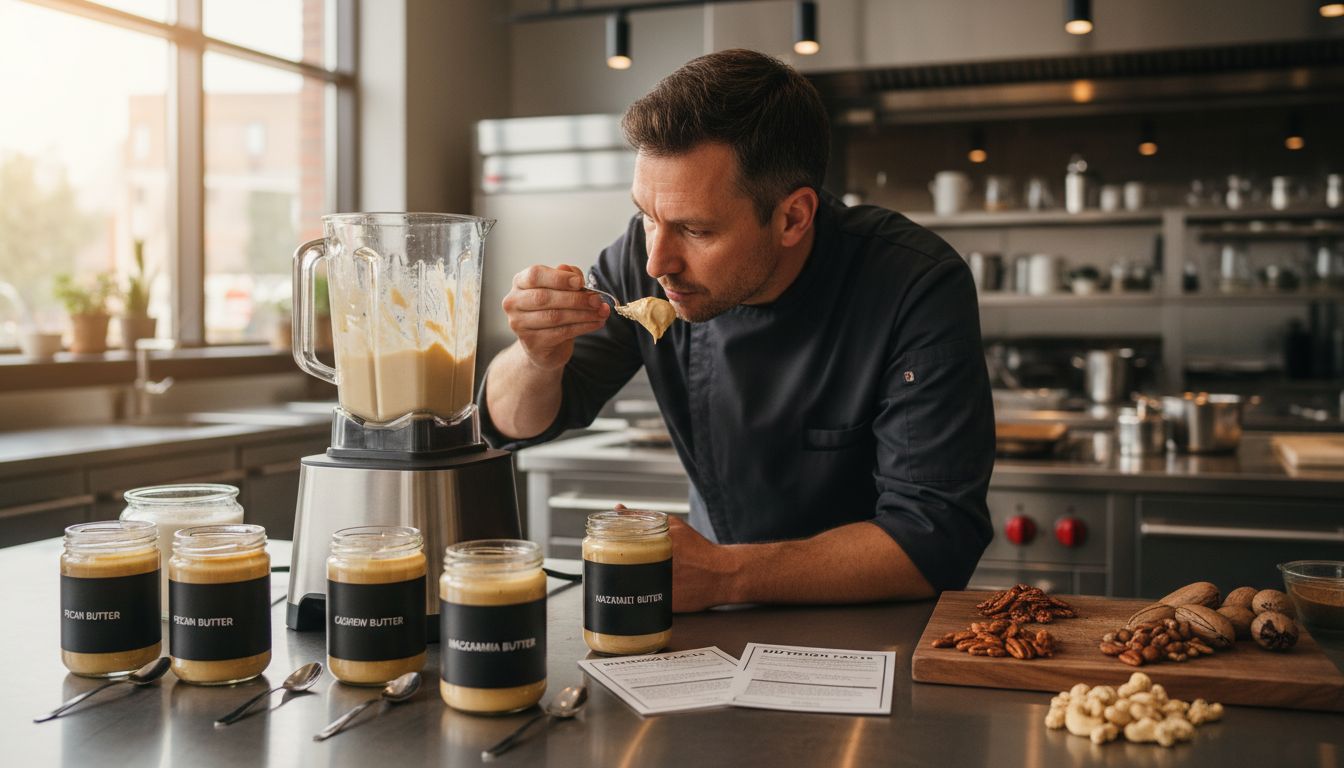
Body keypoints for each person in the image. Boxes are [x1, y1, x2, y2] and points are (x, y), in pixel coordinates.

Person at [479, 48, 995, 612]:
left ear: (792, 217)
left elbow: (934, 537)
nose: (656, 262)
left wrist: (727, 574)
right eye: (647, 216)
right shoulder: (642, 258)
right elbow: (515, 425)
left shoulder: (914, 283)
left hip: (873, 625)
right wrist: (535, 357)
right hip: (715, 611)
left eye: (696, 229)